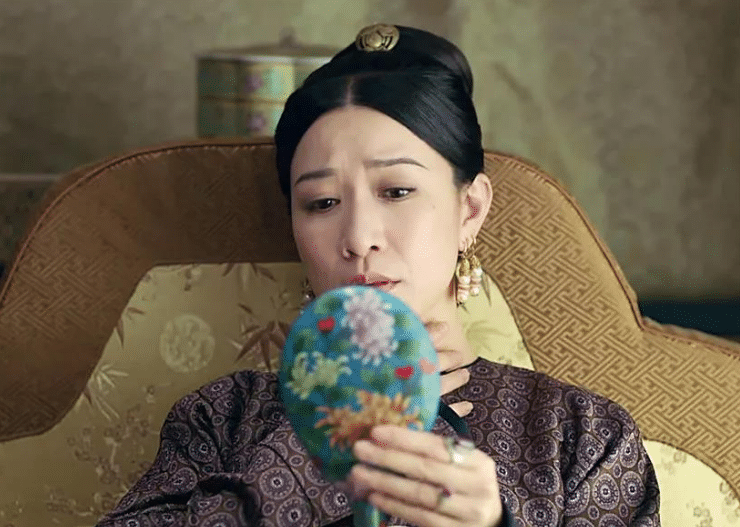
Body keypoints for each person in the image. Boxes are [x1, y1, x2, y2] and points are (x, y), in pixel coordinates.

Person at [95, 24, 660, 527]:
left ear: (470, 209)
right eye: (321, 203)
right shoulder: (223, 417)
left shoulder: (579, 435)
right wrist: (309, 457)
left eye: (396, 191)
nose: (359, 236)